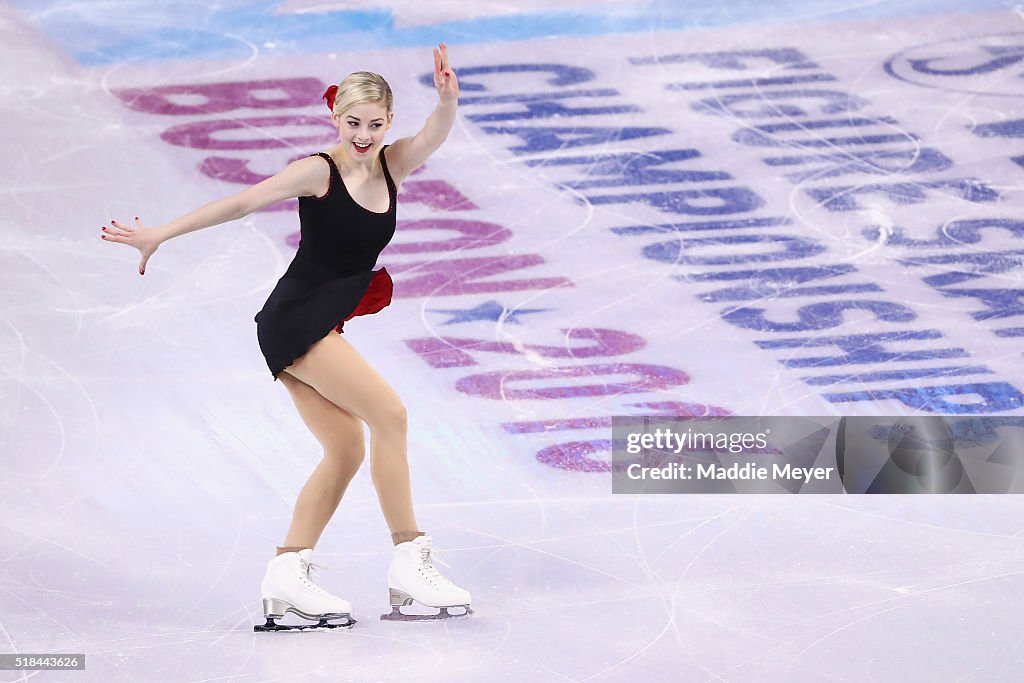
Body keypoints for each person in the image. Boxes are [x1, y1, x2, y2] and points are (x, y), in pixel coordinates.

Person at [100, 44, 472, 628]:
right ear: (336, 118)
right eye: (353, 123)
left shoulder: (392, 165)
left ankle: (287, 574)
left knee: (347, 447)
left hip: (311, 319)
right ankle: (409, 558)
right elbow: (243, 201)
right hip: (296, 318)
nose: (363, 134)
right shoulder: (317, 171)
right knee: (391, 416)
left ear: (388, 123)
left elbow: (434, 134)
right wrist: (161, 234)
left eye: (375, 124)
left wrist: (448, 100)